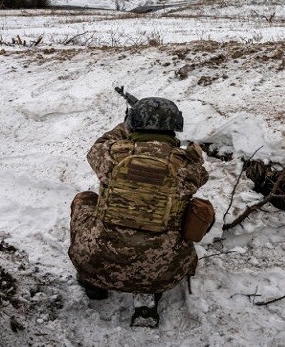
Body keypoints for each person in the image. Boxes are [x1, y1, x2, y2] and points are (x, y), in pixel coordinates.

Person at [68, 96, 212, 323]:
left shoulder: (113, 155)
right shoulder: (188, 165)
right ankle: (150, 286)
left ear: (133, 123)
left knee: (85, 199)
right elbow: (199, 175)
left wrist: (124, 127)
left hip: (98, 267)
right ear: (175, 125)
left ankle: (93, 285)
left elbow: (96, 148)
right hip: (163, 275)